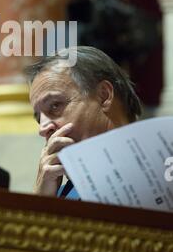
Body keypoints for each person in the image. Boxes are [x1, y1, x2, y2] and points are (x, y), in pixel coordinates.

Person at [25, 46, 142, 198]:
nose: (43, 128)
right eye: (38, 118)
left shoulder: (163, 167)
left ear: (104, 96)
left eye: (55, 106)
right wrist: (40, 203)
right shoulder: (55, 196)